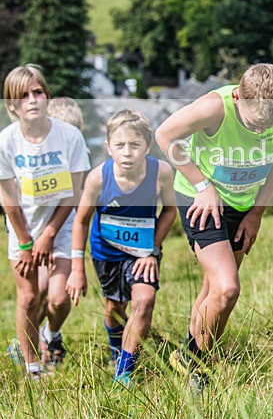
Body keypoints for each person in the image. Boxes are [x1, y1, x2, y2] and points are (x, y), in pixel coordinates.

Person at [155, 63, 273, 390]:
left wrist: (257, 212)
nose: (263, 130)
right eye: (256, 122)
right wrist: (202, 186)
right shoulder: (212, 108)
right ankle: (196, 364)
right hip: (200, 199)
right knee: (227, 288)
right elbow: (164, 136)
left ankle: (190, 355)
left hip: (243, 202)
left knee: (214, 289)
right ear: (237, 97)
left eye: (271, 123)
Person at [66, 109, 177, 387]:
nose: (127, 152)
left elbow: (170, 211)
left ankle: (124, 373)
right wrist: (76, 268)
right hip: (107, 254)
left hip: (143, 252)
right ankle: (118, 347)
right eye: (120, 145)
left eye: (135, 145)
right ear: (108, 147)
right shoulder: (97, 178)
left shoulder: (161, 172)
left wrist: (152, 249)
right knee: (114, 308)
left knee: (144, 301)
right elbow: (80, 221)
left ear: (147, 146)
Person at [0, 65, 90, 378]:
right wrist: (27, 242)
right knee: (28, 297)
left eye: (38, 92)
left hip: (60, 226)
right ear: (12, 105)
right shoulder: (7, 141)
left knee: (58, 297)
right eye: (23, 96)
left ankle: (50, 334)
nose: (32, 100)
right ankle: (33, 369)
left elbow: (74, 193)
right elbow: (9, 199)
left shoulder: (70, 137)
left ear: (47, 95)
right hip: (23, 228)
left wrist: (50, 233)